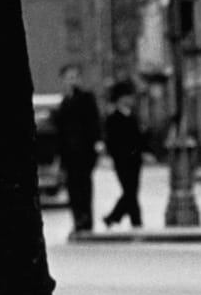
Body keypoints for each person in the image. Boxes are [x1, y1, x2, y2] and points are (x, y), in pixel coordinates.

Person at [53, 63, 102, 234]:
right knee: (73, 188)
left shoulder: (86, 98)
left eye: (74, 77)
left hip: (84, 151)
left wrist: (97, 144)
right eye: (68, 78)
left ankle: (85, 220)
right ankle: (78, 219)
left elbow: (94, 123)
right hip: (69, 154)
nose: (71, 81)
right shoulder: (64, 102)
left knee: (84, 186)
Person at [103, 80, 145, 229]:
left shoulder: (132, 116)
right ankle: (135, 220)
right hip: (122, 161)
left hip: (135, 160)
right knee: (130, 191)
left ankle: (113, 217)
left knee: (132, 191)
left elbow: (138, 138)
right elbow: (112, 141)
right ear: (120, 98)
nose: (131, 99)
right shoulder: (113, 118)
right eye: (128, 96)